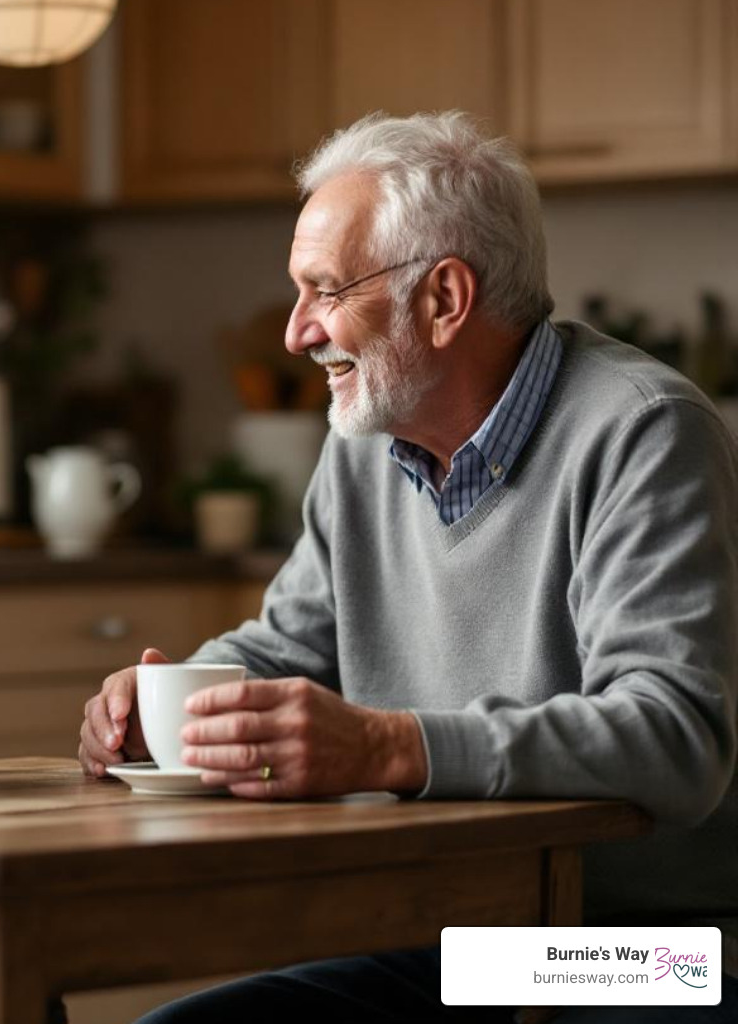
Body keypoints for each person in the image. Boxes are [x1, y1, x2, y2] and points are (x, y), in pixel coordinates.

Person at [78, 112, 738, 1021]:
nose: (298, 333)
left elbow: (675, 738)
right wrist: (162, 705)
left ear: (444, 298)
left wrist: (390, 746)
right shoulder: (363, 443)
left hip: (642, 954)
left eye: (325, 291)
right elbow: (289, 649)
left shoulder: (643, 430)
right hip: (451, 948)